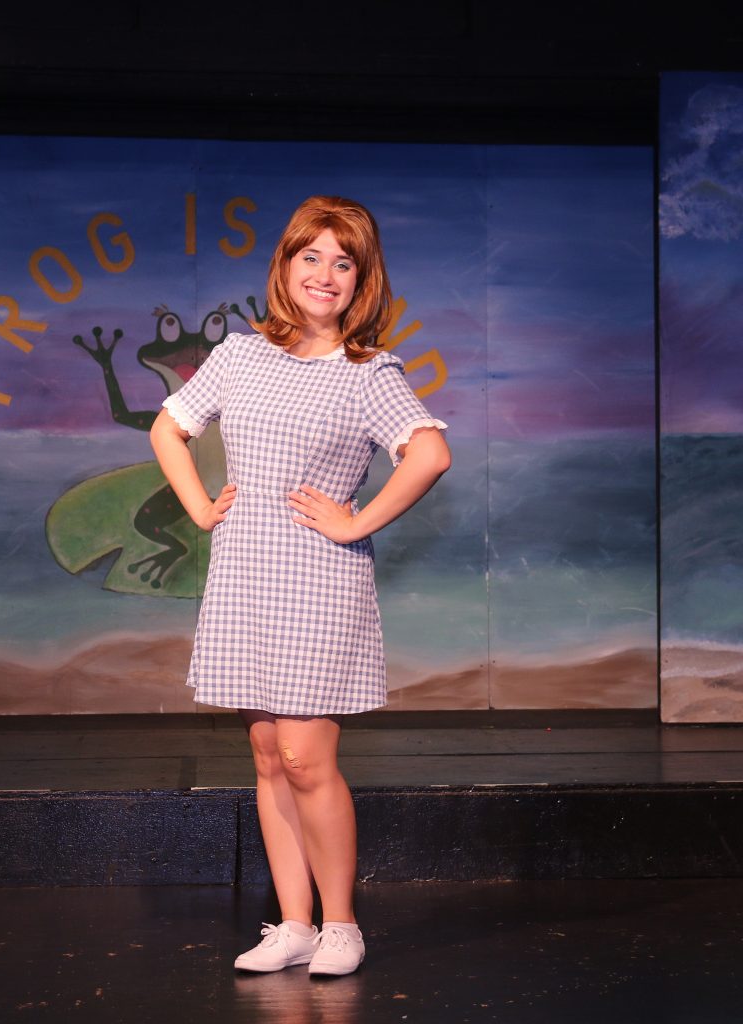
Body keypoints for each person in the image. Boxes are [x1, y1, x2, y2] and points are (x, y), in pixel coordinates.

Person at [149, 195, 451, 977]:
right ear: (284, 266)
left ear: (361, 280)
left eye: (343, 262)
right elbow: (168, 427)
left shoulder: (367, 371)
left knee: (306, 755)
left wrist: (356, 523)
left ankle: (341, 924)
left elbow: (428, 454)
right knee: (266, 754)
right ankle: (294, 924)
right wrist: (200, 508)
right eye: (310, 256)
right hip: (246, 573)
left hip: (319, 578)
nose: (325, 274)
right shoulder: (240, 356)